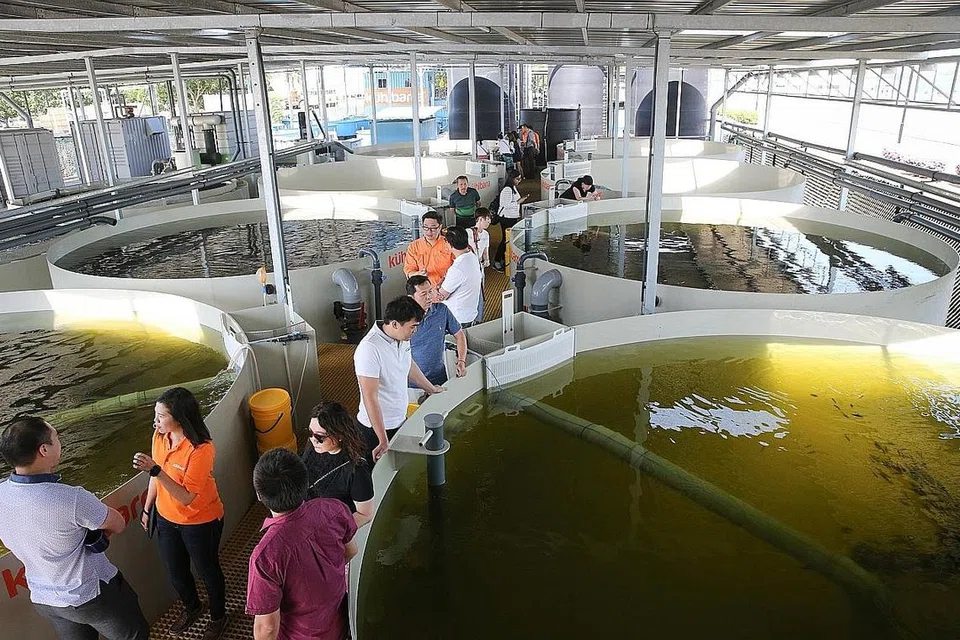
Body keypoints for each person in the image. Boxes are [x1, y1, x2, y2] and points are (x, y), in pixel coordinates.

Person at [0, 417, 149, 640]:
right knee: (135, 635)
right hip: (89, 594)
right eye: (56, 438)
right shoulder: (71, 498)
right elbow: (117, 523)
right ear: (44, 450)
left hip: (45, 598)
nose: (59, 442)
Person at [133, 387, 227, 640]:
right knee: (176, 573)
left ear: (180, 417)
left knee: (208, 571)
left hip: (200, 521)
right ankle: (192, 606)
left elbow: (186, 497)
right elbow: (158, 476)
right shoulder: (160, 437)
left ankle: (219, 616)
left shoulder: (201, 449)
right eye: (156, 414)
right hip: (166, 517)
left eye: (161, 416)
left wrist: (155, 471)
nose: (156, 421)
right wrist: (148, 507)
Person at [246, 448, 358, 640]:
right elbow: (351, 550)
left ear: (259, 495)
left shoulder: (266, 556)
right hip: (341, 625)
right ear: (305, 482)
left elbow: (267, 629)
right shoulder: (334, 509)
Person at [355, 295, 445, 465]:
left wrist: (431, 388)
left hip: (399, 419)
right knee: (376, 478)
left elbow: (408, 365)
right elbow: (370, 397)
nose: (415, 331)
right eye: (413, 327)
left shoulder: (402, 338)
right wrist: (382, 440)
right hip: (375, 429)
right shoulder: (369, 349)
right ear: (395, 324)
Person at [302, 402, 374, 528]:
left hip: (329, 526)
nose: (313, 439)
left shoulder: (357, 469)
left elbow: (365, 514)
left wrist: (333, 532)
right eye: (310, 433)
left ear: (339, 435)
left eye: (320, 436)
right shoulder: (315, 446)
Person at [407, 275, 468, 386]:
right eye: (423, 294)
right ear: (411, 298)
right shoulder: (404, 320)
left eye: (430, 291)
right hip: (413, 383)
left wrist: (461, 361)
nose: (429, 297)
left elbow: (460, 335)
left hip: (439, 378)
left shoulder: (442, 311)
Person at [436, 225, 483, 328]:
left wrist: (433, 289)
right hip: (470, 315)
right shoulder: (472, 257)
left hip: (457, 319)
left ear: (449, 245)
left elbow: (441, 296)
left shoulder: (457, 269)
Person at [403, 210, 454, 287]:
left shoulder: (449, 244)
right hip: (423, 289)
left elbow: (457, 268)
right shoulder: (414, 246)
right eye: (425, 227)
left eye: (433, 228)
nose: (429, 232)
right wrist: (417, 274)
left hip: (445, 288)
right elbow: (409, 270)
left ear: (440, 227)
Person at [493, 169, 528, 271]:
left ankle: (503, 259)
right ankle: (497, 261)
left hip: (512, 217)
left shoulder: (513, 188)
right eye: (517, 179)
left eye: (520, 179)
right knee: (505, 240)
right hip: (506, 218)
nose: (519, 181)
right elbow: (505, 205)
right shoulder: (507, 190)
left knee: (507, 239)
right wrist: (519, 202)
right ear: (512, 179)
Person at [467, 208, 492, 322]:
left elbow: (485, 250)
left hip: (479, 268)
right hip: (469, 268)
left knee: (480, 292)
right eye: (487, 219)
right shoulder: (468, 233)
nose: (489, 222)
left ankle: (479, 319)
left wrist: (487, 260)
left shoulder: (486, 234)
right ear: (480, 219)